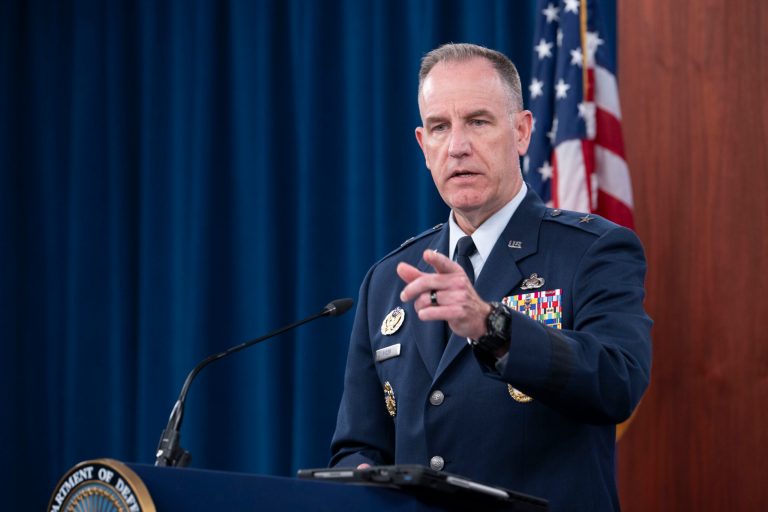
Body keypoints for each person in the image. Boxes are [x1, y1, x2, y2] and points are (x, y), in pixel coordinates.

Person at [330, 43, 652, 512]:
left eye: (478, 122)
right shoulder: (387, 281)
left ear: (521, 132)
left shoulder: (592, 251)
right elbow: (357, 445)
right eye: (440, 127)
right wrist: (357, 476)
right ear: (423, 146)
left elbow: (618, 382)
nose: (458, 144)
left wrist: (491, 327)